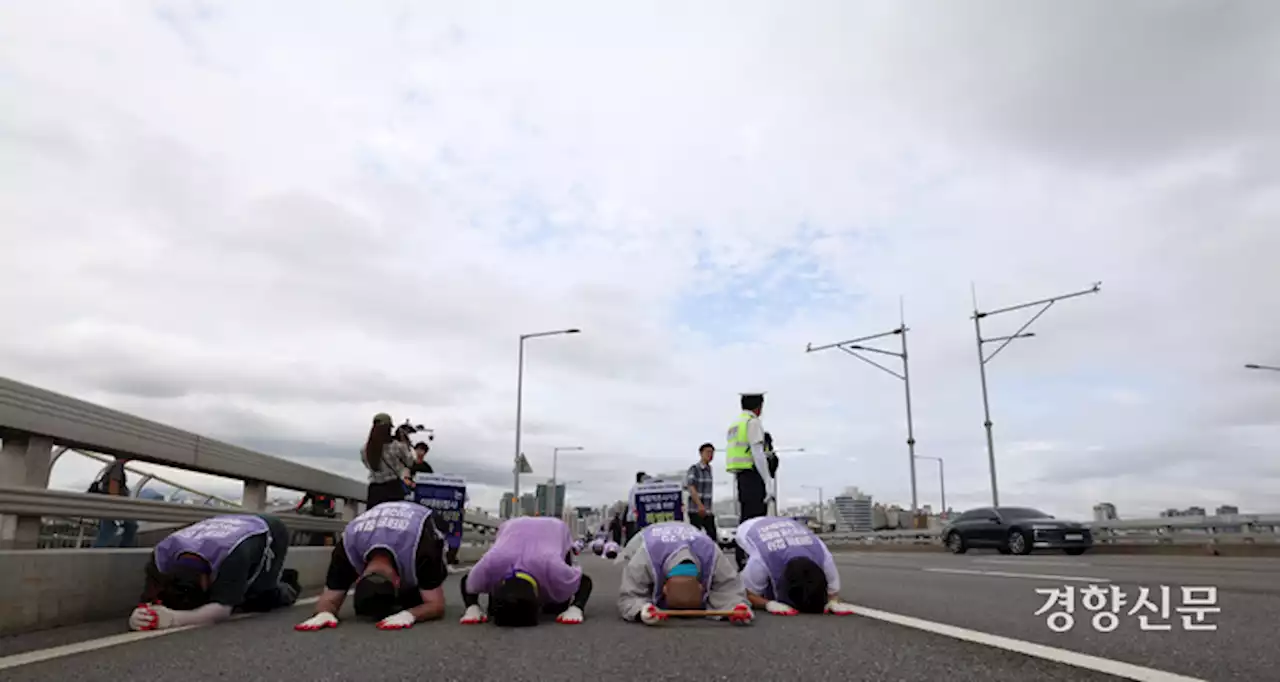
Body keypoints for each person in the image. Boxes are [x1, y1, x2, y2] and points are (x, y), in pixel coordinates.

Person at [295, 501, 447, 631]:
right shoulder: (347, 548)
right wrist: (324, 613)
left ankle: (406, 595)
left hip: (419, 518)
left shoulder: (423, 549)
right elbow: (329, 599)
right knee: (375, 602)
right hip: (376, 522)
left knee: (414, 599)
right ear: (357, 577)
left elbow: (436, 605)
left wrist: (410, 615)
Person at [129, 514, 299, 631]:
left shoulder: (233, 555)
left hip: (267, 529)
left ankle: (288, 584)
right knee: (231, 594)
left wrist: (175, 619)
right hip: (228, 529)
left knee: (259, 599)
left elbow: (223, 610)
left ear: (206, 580)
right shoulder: (161, 556)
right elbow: (149, 598)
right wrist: (139, 615)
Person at [458, 516, 590, 626]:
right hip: (513, 528)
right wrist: (472, 608)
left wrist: (575, 608)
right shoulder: (492, 564)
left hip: (554, 528)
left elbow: (583, 581)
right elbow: (468, 581)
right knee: (554, 606)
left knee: (557, 605)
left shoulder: (553, 568)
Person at [617, 521, 752, 625]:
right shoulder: (644, 557)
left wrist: (738, 607)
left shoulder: (712, 554)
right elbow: (629, 595)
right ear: (664, 588)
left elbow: (731, 588)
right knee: (631, 579)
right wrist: (641, 610)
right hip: (644, 537)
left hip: (691, 536)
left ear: (702, 586)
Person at [735, 516, 855, 616]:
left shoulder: (823, 555)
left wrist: (832, 601)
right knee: (752, 587)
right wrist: (767, 604)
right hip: (751, 527)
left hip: (789, 526)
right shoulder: (761, 559)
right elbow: (746, 593)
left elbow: (833, 592)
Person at [725, 392, 772, 569]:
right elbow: (757, 453)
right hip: (753, 475)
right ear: (759, 407)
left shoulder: (736, 424)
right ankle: (755, 558)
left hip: (741, 476)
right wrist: (767, 481)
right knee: (757, 521)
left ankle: (742, 557)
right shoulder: (752, 423)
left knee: (745, 519)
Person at [362, 413, 417, 508]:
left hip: (374, 490)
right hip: (392, 488)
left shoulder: (365, 449)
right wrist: (405, 442)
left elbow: (367, 465)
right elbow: (410, 461)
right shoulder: (396, 446)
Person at [89, 457, 138, 548]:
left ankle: (96, 553)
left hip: (109, 504)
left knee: (110, 529)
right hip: (114, 505)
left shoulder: (114, 465)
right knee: (128, 526)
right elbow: (114, 484)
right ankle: (97, 554)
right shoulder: (118, 465)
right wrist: (115, 503)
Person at [685, 443, 717, 539]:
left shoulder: (709, 469)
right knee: (695, 536)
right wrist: (700, 505)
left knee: (712, 535)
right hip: (696, 509)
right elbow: (691, 487)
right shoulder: (694, 469)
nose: (710, 455)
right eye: (707, 452)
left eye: (712, 453)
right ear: (701, 453)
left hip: (707, 509)